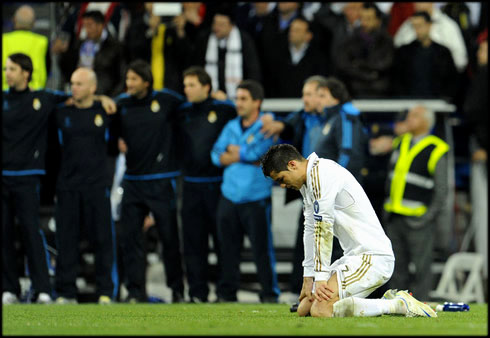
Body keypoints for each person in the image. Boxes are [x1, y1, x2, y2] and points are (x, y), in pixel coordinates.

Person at [260, 144, 437, 318]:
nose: (282, 186)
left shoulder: (321, 173)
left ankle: (397, 304)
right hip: (354, 257)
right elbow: (311, 228)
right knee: (304, 309)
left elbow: (324, 227)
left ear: (292, 164)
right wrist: (309, 277)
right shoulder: (308, 181)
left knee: (320, 310)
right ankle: (353, 304)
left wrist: (320, 277)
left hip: (373, 258)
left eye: (281, 179)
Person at [113, 60, 185, 303]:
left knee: (169, 238)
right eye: (127, 79)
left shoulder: (166, 100)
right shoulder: (121, 104)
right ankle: (135, 292)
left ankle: (177, 290)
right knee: (129, 238)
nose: (129, 84)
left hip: (161, 180)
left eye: (134, 79)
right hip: (132, 180)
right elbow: (111, 134)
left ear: (146, 81)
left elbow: (189, 108)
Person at [371, 105, 449, 301]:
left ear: (426, 121)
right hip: (394, 216)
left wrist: (427, 217)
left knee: (422, 267)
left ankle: (421, 304)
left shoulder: (437, 148)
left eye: (414, 116)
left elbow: (441, 190)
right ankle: (396, 304)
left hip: (418, 219)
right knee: (396, 267)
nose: (408, 119)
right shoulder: (401, 142)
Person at [211, 80, 280, 303]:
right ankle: (226, 294)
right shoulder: (231, 125)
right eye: (237, 98)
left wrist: (235, 154)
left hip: (255, 197)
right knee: (227, 250)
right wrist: (244, 155)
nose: (238, 103)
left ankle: (269, 294)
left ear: (257, 102)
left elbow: (261, 154)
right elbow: (215, 154)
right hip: (229, 196)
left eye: (243, 99)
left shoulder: (266, 125)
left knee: (262, 250)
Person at [53, 67, 118, 304]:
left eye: (79, 84)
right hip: (68, 186)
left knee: (102, 240)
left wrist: (102, 99)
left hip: (97, 186)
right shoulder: (61, 113)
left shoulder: (107, 111)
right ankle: (65, 292)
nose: (74, 88)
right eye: (72, 83)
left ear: (93, 87)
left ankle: (105, 292)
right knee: (66, 241)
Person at [260, 75, 328, 297]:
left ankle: (325, 288)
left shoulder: (337, 119)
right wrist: (279, 123)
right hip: (307, 183)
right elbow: (289, 121)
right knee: (307, 233)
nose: (304, 99)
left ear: (322, 94)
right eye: (303, 94)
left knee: (325, 236)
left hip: (327, 185)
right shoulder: (304, 117)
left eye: (309, 94)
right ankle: (300, 287)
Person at [176, 66, 237, 303]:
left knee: (223, 241)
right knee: (193, 243)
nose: (186, 90)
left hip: (217, 186)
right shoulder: (181, 111)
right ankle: (197, 293)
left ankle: (226, 292)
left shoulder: (224, 109)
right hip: (190, 186)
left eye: (191, 85)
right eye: (185, 85)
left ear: (206, 87)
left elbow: (243, 116)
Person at [190, 7, 262, 100]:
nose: (216, 28)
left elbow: (253, 72)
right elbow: (197, 67)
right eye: (215, 23)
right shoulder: (204, 39)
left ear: (231, 26)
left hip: (237, 98)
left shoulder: (244, 40)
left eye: (221, 24)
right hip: (210, 97)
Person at [463, 29, 487, 279]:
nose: (479, 54)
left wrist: (483, 147)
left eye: (483, 49)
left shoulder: (484, 77)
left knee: (484, 217)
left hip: (483, 152)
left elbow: (472, 110)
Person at [392, 11, 458, 100]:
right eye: (414, 26)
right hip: (409, 102)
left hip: (437, 103)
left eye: (419, 26)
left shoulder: (443, 52)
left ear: (429, 25)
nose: (417, 30)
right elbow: (397, 80)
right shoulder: (404, 52)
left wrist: (444, 99)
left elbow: (451, 80)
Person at [313, 77, 368, 184]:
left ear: (336, 98)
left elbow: (348, 153)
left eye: (322, 96)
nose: (317, 100)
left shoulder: (345, 118)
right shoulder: (329, 120)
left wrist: (335, 182)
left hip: (338, 189)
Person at [56, 10, 123, 96]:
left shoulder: (116, 47)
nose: (86, 30)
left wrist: (113, 97)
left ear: (100, 26)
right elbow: (67, 68)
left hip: (105, 95)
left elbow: (122, 75)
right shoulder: (79, 44)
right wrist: (63, 53)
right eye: (85, 26)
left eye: (90, 25)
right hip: (80, 94)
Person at [335, 3, 394, 98]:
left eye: (369, 19)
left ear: (378, 21)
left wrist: (359, 64)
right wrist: (368, 72)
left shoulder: (386, 41)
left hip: (381, 91)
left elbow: (384, 64)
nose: (364, 22)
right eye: (362, 18)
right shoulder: (350, 40)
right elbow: (344, 64)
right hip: (354, 90)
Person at [394, 2, 468, 73]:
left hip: (441, 79)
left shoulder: (448, 26)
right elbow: (396, 51)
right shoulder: (407, 26)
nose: (417, 4)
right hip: (412, 78)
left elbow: (460, 60)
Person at [273, 16, 329, 98]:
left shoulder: (318, 57)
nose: (292, 33)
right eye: (291, 30)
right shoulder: (278, 54)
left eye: (297, 30)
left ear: (308, 35)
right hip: (281, 103)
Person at [2, 5, 50, 90]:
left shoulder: (4, 40)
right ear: (34, 22)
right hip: (34, 93)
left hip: (6, 92)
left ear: (14, 20)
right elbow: (48, 67)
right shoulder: (42, 42)